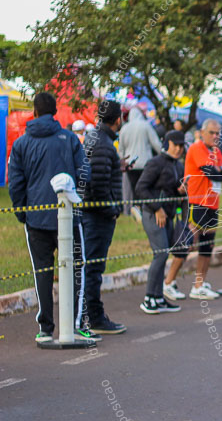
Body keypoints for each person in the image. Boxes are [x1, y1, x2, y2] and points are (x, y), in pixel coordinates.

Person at [7, 92, 96, 343]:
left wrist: (22, 211)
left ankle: (46, 328)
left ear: (34, 112)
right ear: (55, 112)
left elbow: (16, 183)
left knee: (42, 272)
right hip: (69, 217)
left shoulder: (22, 143)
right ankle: (77, 324)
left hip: (36, 219)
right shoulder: (69, 139)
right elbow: (84, 174)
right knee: (77, 268)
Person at [80, 99, 127, 335]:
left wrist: (118, 167)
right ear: (117, 119)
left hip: (94, 213)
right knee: (94, 267)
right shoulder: (104, 144)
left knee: (91, 266)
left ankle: (88, 314)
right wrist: (111, 209)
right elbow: (97, 185)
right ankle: (93, 317)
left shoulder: (96, 139)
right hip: (97, 215)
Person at [135, 130, 187, 314]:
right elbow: (141, 188)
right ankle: (149, 298)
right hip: (153, 214)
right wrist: (157, 208)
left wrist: (179, 190)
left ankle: (158, 298)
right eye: (176, 145)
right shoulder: (155, 163)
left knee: (164, 254)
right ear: (167, 144)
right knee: (161, 254)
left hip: (169, 216)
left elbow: (169, 189)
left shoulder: (178, 165)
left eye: (182, 146)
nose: (179, 149)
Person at [183, 118, 222, 299]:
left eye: (218, 133)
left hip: (212, 203)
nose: (215, 136)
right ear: (202, 133)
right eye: (212, 132)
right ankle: (169, 282)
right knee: (189, 245)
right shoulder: (197, 148)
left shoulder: (216, 151)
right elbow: (215, 174)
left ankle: (199, 284)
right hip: (199, 202)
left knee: (207, 246)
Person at [118, 105, 162, 194]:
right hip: (146, 164)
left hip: (130, 165)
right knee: (146, 191)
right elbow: (157, 144)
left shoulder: (124, 128)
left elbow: (121, 149)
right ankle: (143, 207)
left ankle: (136, 207)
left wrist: (123, 163)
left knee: (134, 191)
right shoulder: (146, 125)